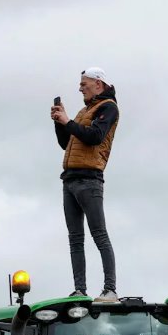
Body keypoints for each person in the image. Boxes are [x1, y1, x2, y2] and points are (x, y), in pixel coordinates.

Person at [52, 67, 121, 302]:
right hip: (70, 179)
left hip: (90, 180)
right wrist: (60, 122)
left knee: (99, 234)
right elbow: (66, 142)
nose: (80, 87)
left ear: (98, 84)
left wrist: (68, 121)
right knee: (75, 238)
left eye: (84, 83)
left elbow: (94, 137)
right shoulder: (85, 110)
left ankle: (110, 289)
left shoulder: (108, 107)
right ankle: (80, 290)